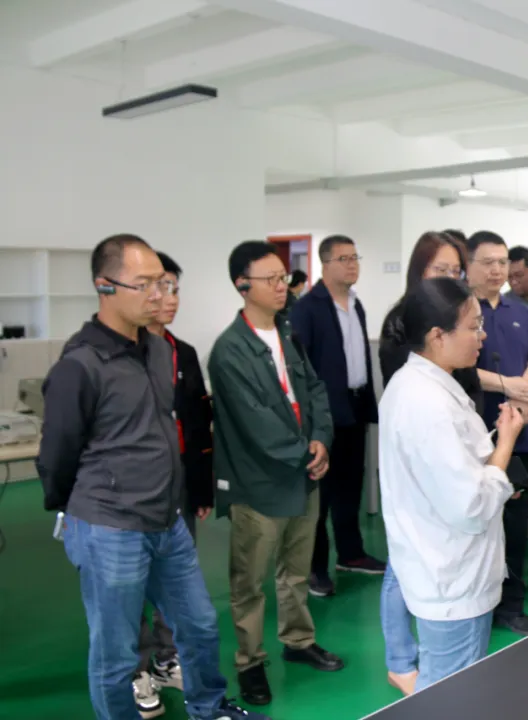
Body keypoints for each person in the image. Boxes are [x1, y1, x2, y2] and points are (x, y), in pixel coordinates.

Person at [38, 234, 264, 720]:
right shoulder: (80, 365)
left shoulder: (160, 352)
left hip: (167, 521)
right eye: (144, 285)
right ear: (105, 286)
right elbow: (56, 455)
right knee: (116, 654)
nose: (159, 295)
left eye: (162, 283)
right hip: (110, 526)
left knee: (199, 627)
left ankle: (209, 708)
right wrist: (77, 511)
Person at [208, 241, 342, 707]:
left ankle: (298, 641)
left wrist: (321, 438)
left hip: (303, 474)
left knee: (296, 571)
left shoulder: (288, 335)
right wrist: (305, 452)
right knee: (250, 582)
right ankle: (249, 662)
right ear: (242, 285)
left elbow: (316, 389)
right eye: (269, 279)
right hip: (260, 484)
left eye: (283, 276)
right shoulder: (230, 351)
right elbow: (256, 422)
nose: (281, 286)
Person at [379, 277, 526, 691]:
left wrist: (493, 455)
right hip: (452, 581)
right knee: (450, 699)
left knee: (446, 694)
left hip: (443, 568)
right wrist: (506, 445)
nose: (483, 335)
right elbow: (471, 508)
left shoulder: (424, 384)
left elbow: (452, 469)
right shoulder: (427, 403)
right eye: (474, 326)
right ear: (437, 336)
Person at [377, 230, 477, 697]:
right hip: (423, 471)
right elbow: (469, 505)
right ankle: (400, 660)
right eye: (441, 269)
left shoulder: (451, 328)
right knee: (404, 564)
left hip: (447, 461)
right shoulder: (406, 337)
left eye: (457, 270)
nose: (451, 277)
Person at [130, 251, 215, 718]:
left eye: (175, 289)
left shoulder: (184, 352)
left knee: (176, 579)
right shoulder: (122, 352)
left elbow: (198, 422)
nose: (170, 298)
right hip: (134, 489)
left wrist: (200, 488)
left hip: (179, 482)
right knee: (131, 582)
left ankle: (166, 658)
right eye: (160, 287)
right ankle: (137, 668)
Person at [290, 235, 384, 599]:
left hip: (355, 405)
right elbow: (302, 368)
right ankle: (315, 568)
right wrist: (313, 419)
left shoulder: (356, 305)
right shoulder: (308, 308)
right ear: (324, 264)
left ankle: (351, 554)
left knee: (350, 485)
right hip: (324, 414)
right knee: (321, 493)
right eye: (343, 258)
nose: (352, 264)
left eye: (355, 257)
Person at [467, 231, 528, 636]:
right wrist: (507, 385)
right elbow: (460, 368)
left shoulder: (519, 310)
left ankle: (512, 605)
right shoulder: (462, 311)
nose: (497, 270)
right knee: (477, 521)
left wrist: (525, 394)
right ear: (469, 266)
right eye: (488, 262)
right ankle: (477, 603)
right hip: (474, 433)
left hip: (517, 433)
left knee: (515, 522)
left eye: (502, 262)